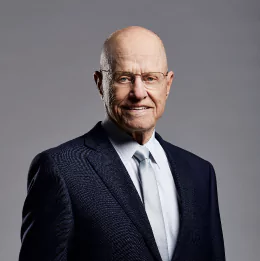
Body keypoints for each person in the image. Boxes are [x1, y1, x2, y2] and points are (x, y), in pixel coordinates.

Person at [19, 26, 226, 261]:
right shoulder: (61, 169)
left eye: (150, 78)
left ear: (167, 85)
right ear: (100, 83)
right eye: (124, 78)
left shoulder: (200, 174)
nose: (138, 93)